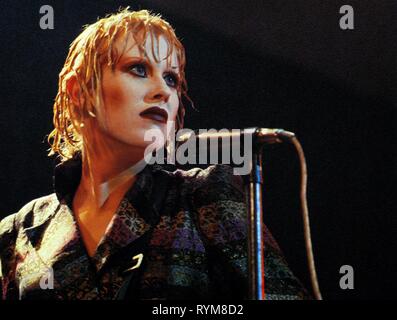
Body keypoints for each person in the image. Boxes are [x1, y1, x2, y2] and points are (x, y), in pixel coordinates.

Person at [0, 8, 309, 300]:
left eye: (171, 78)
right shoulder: (17, 232)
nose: (163, 90)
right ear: (79, 91)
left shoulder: (203, 198)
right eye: (138, 68)